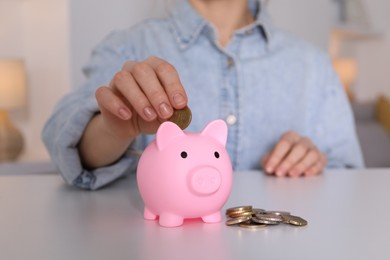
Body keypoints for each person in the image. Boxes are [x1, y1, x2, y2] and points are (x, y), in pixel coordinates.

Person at [42, 0, 364, 190]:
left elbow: (352, 179)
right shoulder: (127, 46)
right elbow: (63, 139)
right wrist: (113, 128)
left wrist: (314, 163)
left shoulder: (313, 64)